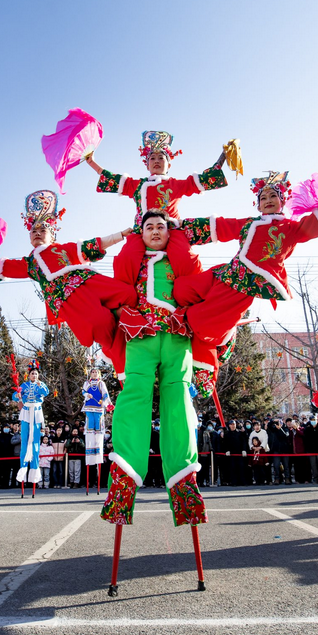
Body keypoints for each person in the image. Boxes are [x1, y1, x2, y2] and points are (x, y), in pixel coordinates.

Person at [174, 168, 318, 392]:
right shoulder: (248, 224)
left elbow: (313, 224)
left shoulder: (290, 228)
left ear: (282, 201)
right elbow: (220, 226)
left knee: (201, 322)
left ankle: (212, 358)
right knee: (181, 289)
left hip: (247, 285)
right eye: (263, 198)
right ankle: (181, 328)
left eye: (273, 196)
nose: (267, 201)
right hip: (226, 273)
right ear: (257, 205)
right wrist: (178, 225)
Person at [101, 211, 207, 527]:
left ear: (169, 231)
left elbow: (199, 291)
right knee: (134, 396)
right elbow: (115, 293)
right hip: (139, 336)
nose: (156, 231)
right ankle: (124, 478)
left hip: (177, 336)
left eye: (161, 226)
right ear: (142, 233)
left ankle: (184, 480)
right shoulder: (131, 262)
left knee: (179, 400)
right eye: (149, 227)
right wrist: (123, 312)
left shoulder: (182, 261)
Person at [0, 190, 136, 374]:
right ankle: (124, 369)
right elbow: (2, 267)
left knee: (128, 293)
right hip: (69, 299)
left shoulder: (63, 249)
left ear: (53, 236)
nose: (37, 233)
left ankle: (139, 319)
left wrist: (121, 235)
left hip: (87, 281)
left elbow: (92, 245)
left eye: (42, 230)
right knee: (101, 325)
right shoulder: (29, 264)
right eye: (33, 231)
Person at [85, 130, 231, 278]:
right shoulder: (137, 185)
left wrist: (223, 156)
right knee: (125, 257)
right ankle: (124, 296)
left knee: (186, 258)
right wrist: (91, 163)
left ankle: (192, 293)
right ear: (147, 165)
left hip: (172, 229)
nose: (156, 161)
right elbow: (113, 179)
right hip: (142, 231)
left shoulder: (176, 184)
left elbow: (202, 180)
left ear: (169, 164)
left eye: (161, 158)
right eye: (152, 158)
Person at [12, 363, 49, 489]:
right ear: (29, 375)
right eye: (32, 373)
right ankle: (23, 468)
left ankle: (34, 470)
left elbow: (46, 392)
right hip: (27, 412)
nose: (34, 375)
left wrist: (40, 385)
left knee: (35, 443)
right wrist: (17, 396)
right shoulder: (24, 385)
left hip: (37, 412)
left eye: (36, 374)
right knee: (25, 440)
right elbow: (16, 396)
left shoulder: (41, 384)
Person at [81, 367, 112, 490]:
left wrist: (106, 402)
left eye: (96, 372)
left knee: (98, 425)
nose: (94, 374)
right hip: (89, 406)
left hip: (98, 407)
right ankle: (90, 442)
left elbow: (105, 394)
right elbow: (83, 391)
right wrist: (86, 394)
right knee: (90, 425)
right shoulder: (87, 382)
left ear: (98, 374)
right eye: (92, 372)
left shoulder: (101, 383)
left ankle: (98, 443)